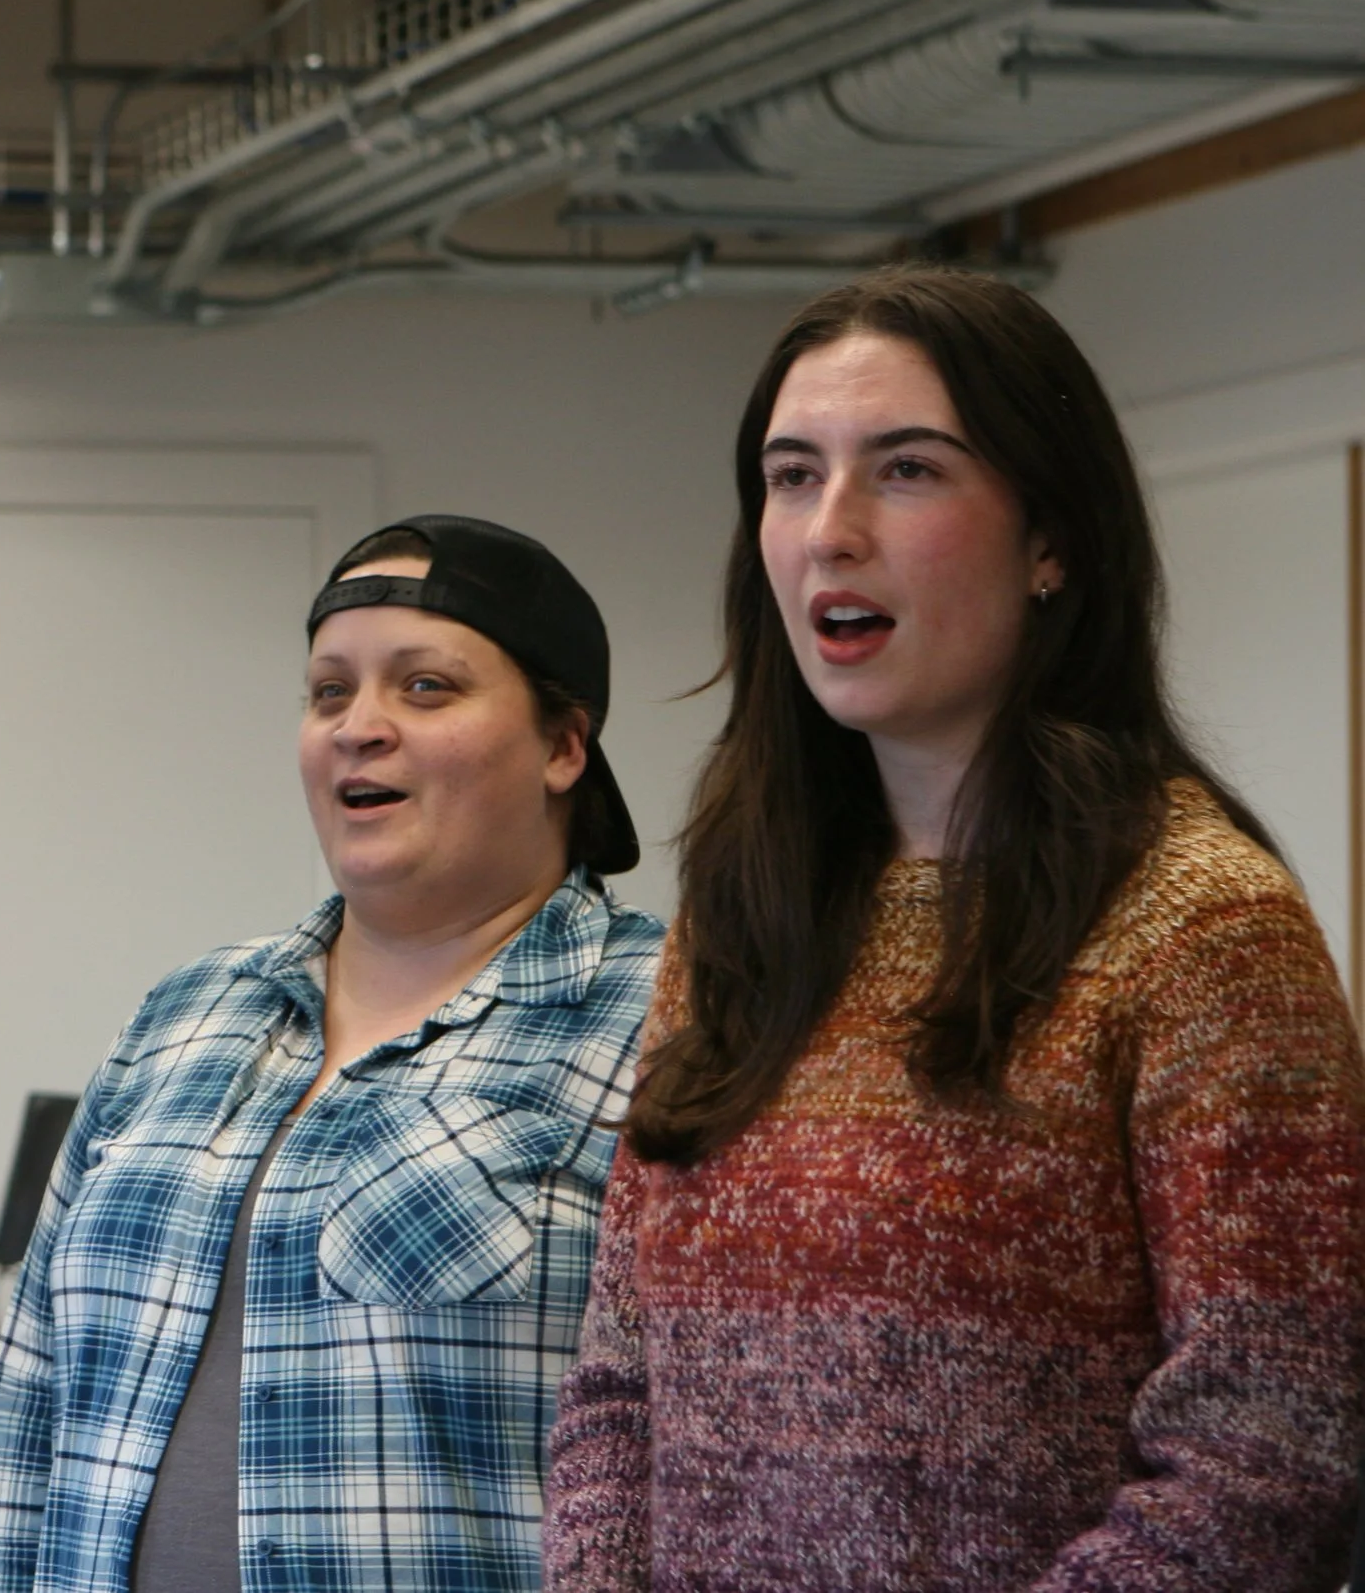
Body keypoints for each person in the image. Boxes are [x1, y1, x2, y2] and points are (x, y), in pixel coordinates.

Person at [544, 267, 1365, 1590]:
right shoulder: (749, 901)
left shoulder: (1202, 926)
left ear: (1054, 538)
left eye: (907, 470)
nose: (829, 529)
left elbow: (1269, 1447)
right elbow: (618, 1375)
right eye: (793, 474)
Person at [0, 515, 667, 1593]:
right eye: (329, 691)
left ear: (564, 745)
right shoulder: (188, 1012)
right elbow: (29, 1416)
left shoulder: (671, 1021)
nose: (358, 726)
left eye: (425, 687)